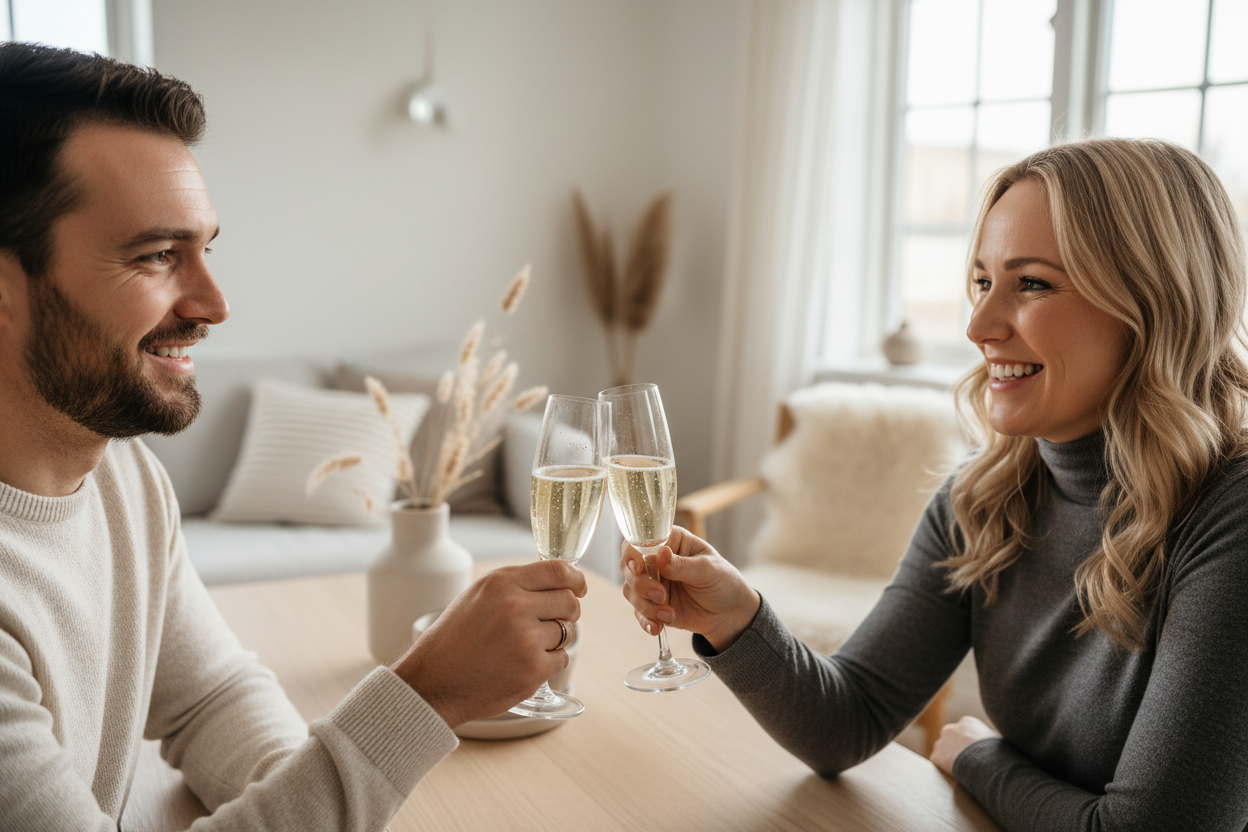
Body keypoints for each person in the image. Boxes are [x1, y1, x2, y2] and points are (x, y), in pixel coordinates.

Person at [0, 42, 584, 830]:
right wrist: (424, 698)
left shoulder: (120, 474)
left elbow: (210, 697)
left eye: (206, 250)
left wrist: (313, 803)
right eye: (157, 256)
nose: (214, 302)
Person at [623, 137, 1248, 831]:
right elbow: (846, 721)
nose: (979, 326)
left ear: (1154, 300)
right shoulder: (983, 497)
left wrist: (981, 756)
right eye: (982, 282)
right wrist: (734, 618)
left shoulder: (1231, 510)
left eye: (1032, 283)